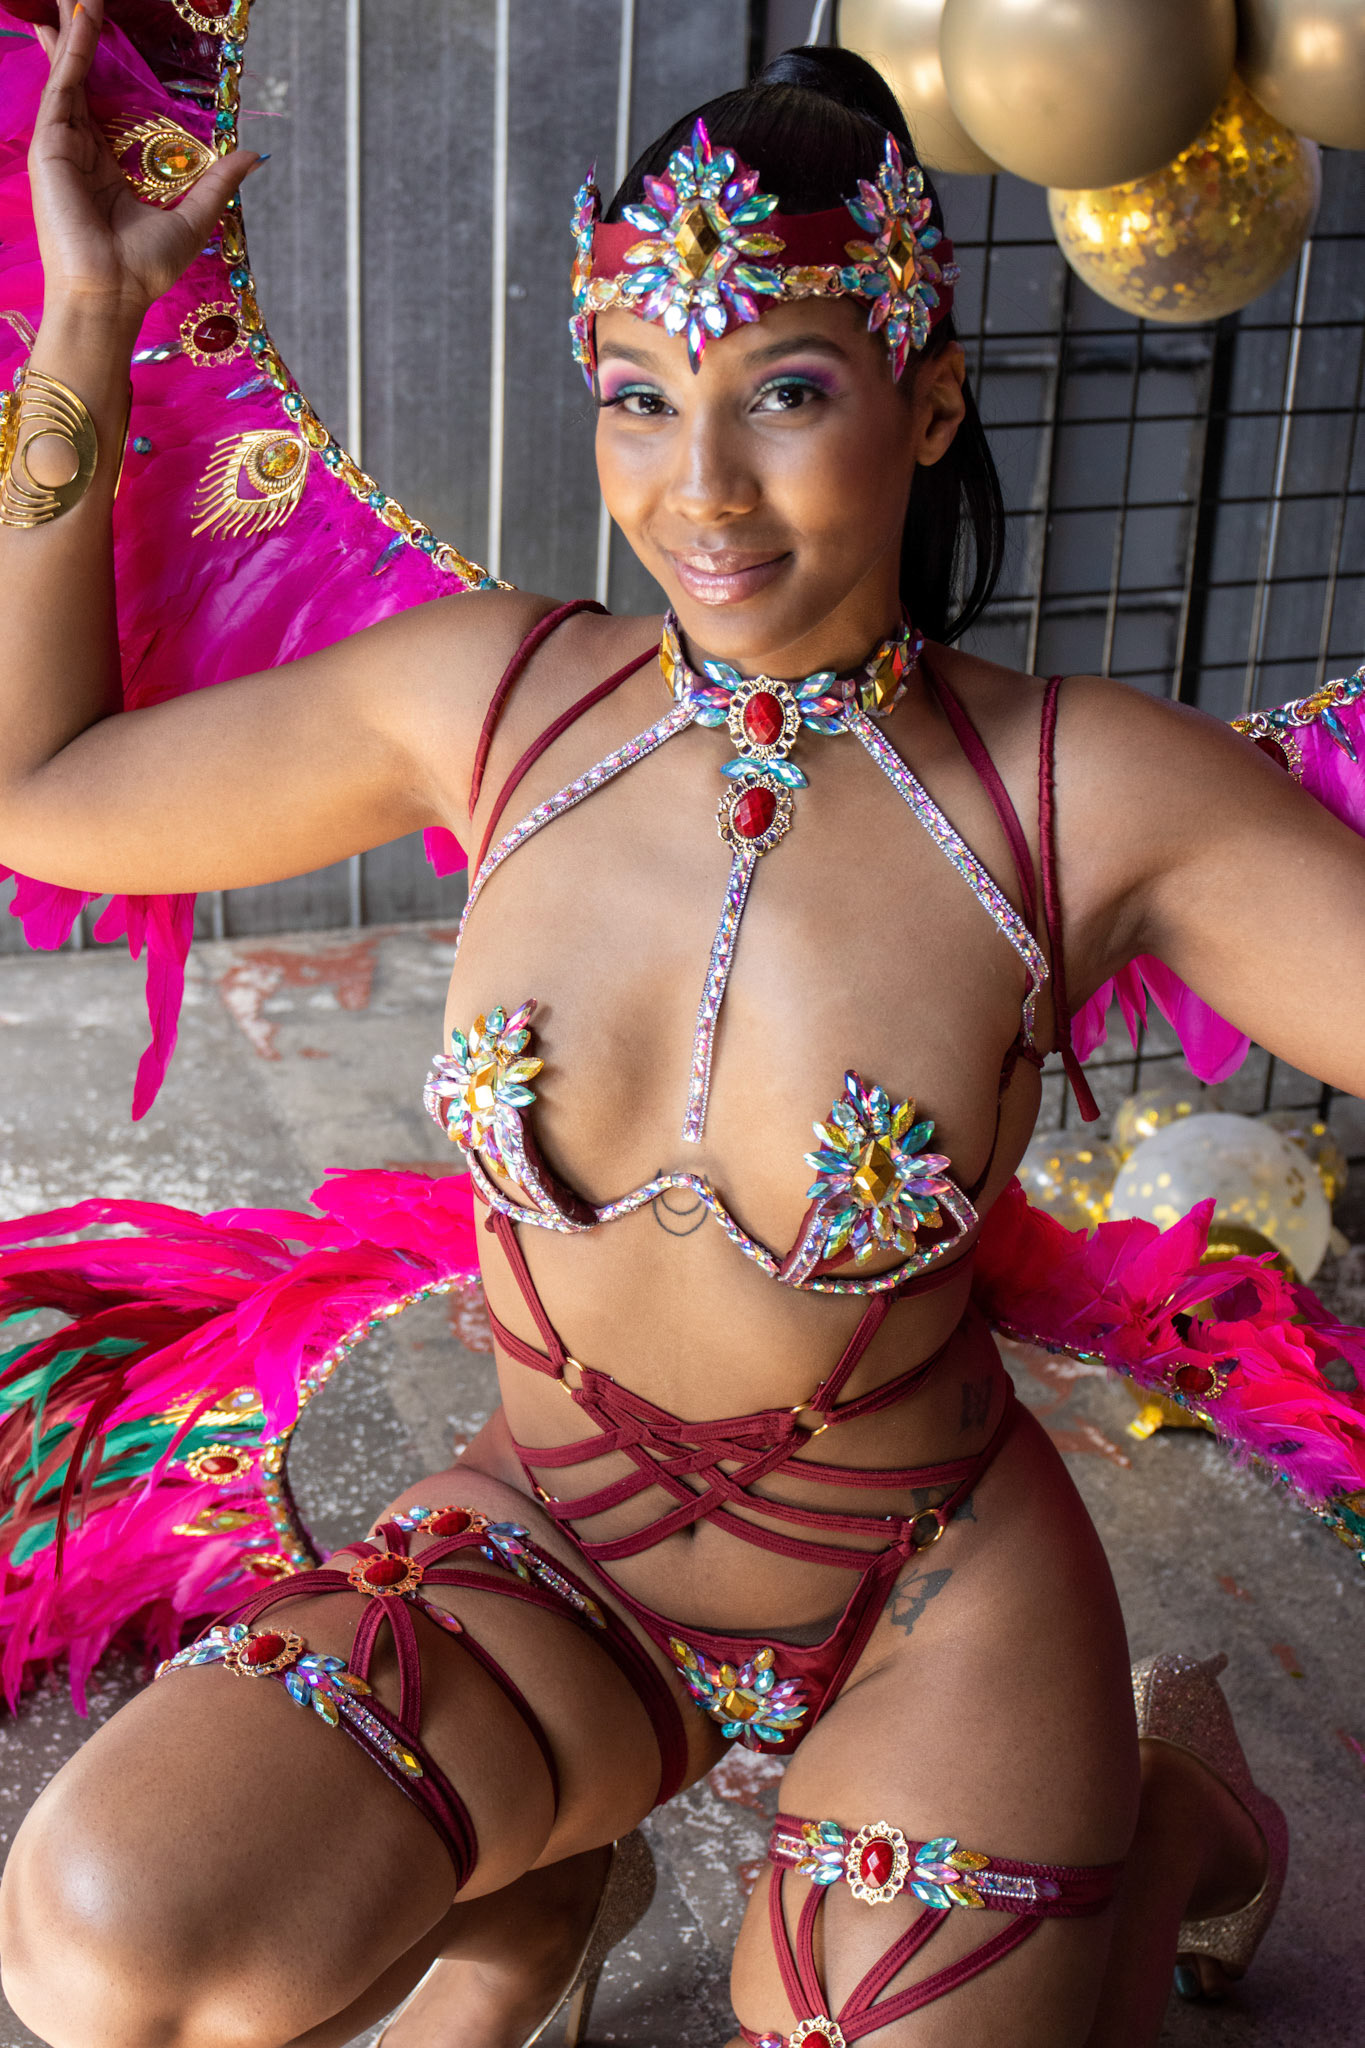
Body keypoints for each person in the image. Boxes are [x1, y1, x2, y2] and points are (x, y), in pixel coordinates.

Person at [0, 6, 1360, 2045]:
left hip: (925, 1597)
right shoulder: (490, 705)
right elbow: (41, 789)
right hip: (544, 1560)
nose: (697, 488)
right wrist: (90, 320)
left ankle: (1168, 1806)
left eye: (782, 392)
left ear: (925, 401)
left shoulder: (1082, 799)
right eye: (637, 397)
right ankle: (546, 1865)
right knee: (112, 1943)